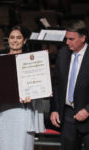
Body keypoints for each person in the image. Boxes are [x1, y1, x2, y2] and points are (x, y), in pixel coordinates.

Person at [0, 25, 45, 150]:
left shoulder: (32, 61)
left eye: (18, 37)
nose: (15, 40)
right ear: (8, 39)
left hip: (24, 113)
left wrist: (33, 96)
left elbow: (38, 86)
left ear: (24, 40)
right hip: (4, 114)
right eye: (12, 37)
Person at [50, 19, 89, 150]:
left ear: (83, 38)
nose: (67, 42)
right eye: (67, 39)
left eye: (71, 39)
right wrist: (55, 109)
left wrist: (88, 109)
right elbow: (56, 84)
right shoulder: (62, 54)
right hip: (67, 115)